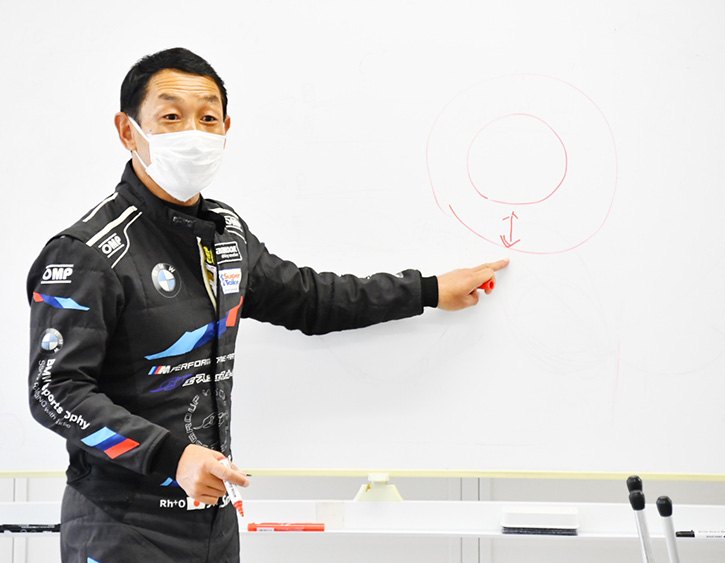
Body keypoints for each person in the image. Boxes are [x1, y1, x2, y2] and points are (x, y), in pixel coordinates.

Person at [27, 47, 509, 562]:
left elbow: (310, 299)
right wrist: (174, 457)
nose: (193, 132)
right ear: (128, 131)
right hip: (120, 524)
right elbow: (54, 390)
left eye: (208, 118)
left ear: (226, 128)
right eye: (171, 117)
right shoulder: (87, 253)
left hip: (212, 521)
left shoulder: (224, 234)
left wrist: (428, 290)